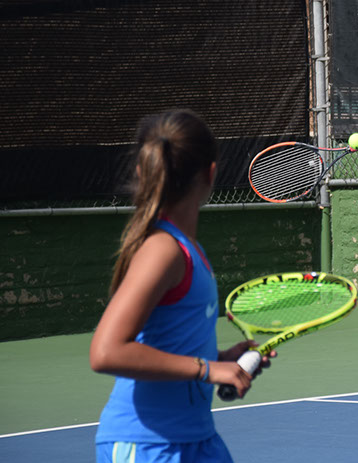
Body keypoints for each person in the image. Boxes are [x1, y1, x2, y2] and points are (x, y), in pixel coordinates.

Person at [90, 109, 274, 462]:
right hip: (148, 445)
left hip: (198, 441)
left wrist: (221, 359)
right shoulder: (162, 250)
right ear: (211, 173)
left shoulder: (186, 249)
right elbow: (106, 352)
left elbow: (168, 341)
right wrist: (207, 368)